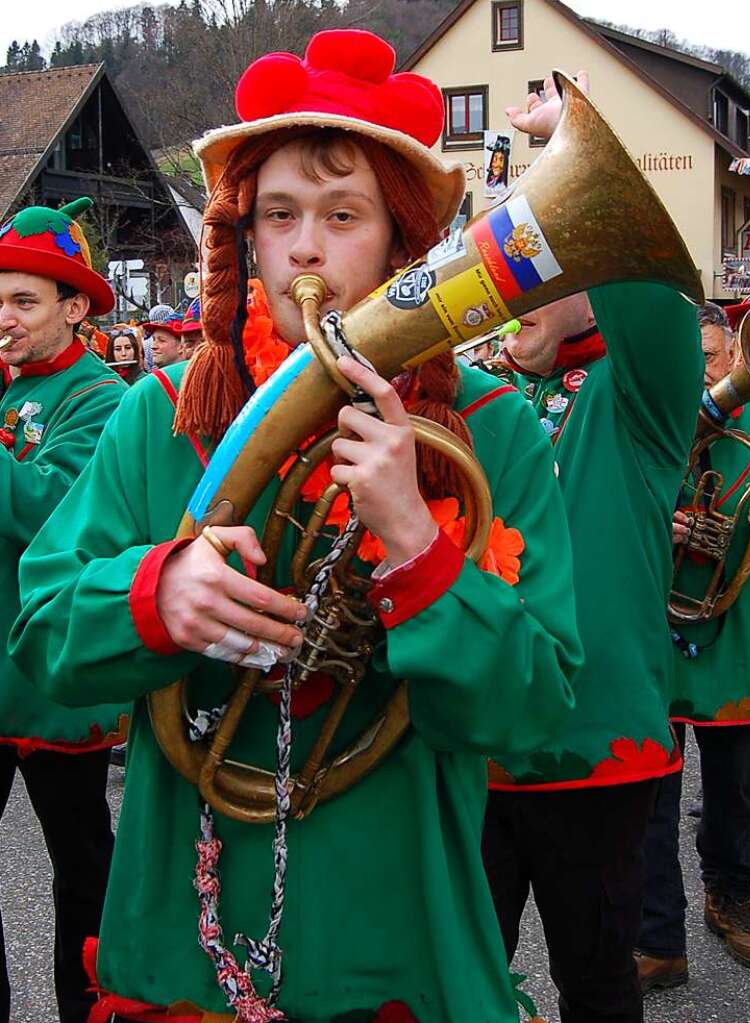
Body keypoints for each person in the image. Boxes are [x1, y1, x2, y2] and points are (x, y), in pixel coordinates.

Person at [10, 30, 582, 1023]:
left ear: (401, 243)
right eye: (278, 215)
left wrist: (415, 542)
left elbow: (531, 720)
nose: (306, 246)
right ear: (243, 239)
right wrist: (156, 595)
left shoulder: (489, 430)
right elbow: (43, 637)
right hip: (182, 943)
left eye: (343, 214)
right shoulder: (163, 411)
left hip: (397, 940)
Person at [481, 75, 703, 1023]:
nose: (520, 301)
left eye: (552, 280)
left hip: (598, 752)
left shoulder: (637, 396)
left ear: (592, 300)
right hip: (475, 742)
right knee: (461, 977)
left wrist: (556, 154)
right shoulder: (486, 402)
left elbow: (651, 286)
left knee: (598, 985)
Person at [0, 197, 128, 1023]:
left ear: (75, 308)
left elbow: (48, 510)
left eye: (23, 301)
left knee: (83, 873)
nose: (3, 318)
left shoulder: (105, 397)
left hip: (55, 684)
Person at [636, 299, 750, 991]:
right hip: (659, 638)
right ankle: (657, 935)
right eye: (686, 367)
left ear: (734, 357)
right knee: (649, 793)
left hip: (738, 639)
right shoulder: (650, 423)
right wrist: (665, 522)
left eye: (711, 361)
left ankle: (729, 892)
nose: (702, 380)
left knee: (735, 790)